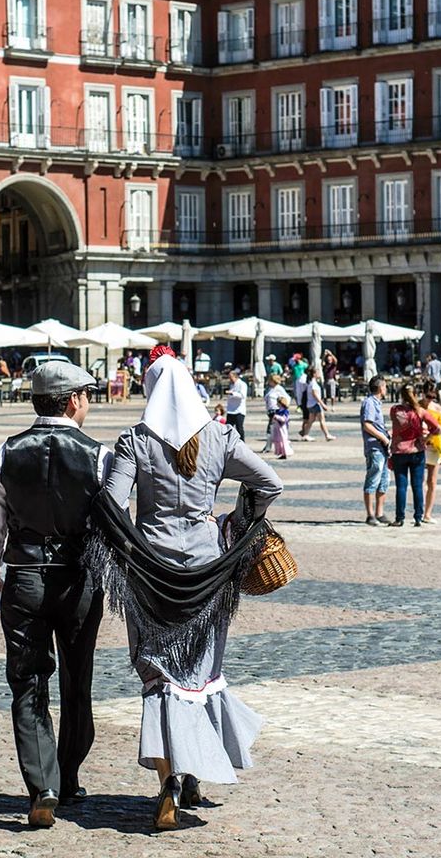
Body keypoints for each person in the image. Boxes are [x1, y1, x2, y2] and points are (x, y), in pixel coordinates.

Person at [93, 352, 283, 831]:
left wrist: (133, 544)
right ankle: (190, 772)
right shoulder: (219, 436)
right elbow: (270, 481)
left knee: (159, 674)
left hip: (151, 571)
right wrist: (238, 521)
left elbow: (111, 507)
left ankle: (169, 784)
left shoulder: (135, 441)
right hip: (207, 569)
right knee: (198, 673)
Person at [0, 361, 111, 828]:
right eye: (88, 395)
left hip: (26, 576)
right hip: (78, 579)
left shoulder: (6, 452)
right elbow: (110, 522)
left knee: (28, 681)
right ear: (74, 400)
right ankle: (69, 774)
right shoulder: (99, 455)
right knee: (78, 679)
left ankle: (43, 786)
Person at [389, 385, 441, 527]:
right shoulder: (420, 412)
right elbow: (437, 428)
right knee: (417, 486)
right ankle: (418, 517)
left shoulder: (395, 410)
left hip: (399, 452)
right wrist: (426, 438)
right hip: (417, 451)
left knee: (401, 486)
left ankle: (399, 518)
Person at [360, 375, 391, 526]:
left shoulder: (377, 403)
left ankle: (380, 512)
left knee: (384, 480)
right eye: (385, 386)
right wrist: (383, 438)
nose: (386, 389)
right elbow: (367, 425)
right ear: (380, 388)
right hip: (374, 446)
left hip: (383, 447)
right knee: (373, 478)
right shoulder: (369, 403)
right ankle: (370, 514)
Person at [421, 379, 441, 524]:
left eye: (433, 397)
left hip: (434, 445)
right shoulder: (417, 406)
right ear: (423, 394)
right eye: (428, 396)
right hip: (419, 445)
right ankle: (419, 510)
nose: (430, 400)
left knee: (432, 481)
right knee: (419, 480)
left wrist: (432, 434)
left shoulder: (437, 408)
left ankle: (427, 514)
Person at [300, 367, 335, 442]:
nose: (319, 374)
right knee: (322, 420)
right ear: (314, 374)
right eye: (318, 372)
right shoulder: (313, 384)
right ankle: (327, 435)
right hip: (315, 404)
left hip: (310, 404)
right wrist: (323, 404)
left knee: (311, 420)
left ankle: (305, 434)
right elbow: (315, 395)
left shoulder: (311, 383)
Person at [225, 368, 247, 441]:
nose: (230, 379)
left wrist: (232, 393)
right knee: (228, 428)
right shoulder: (232, 385)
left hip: (239, 410)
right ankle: (228, 442)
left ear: (235, 376)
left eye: (231, 377)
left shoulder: (242, 384)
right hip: (230, 410)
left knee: (239, 428)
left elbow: (243, 395)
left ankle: (242, 442)